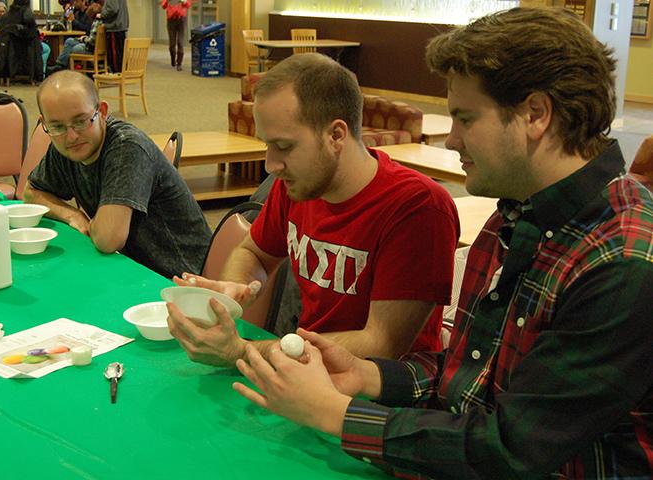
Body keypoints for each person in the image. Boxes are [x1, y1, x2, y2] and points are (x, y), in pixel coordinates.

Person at [231, 7, 653, 479]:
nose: (451, 140)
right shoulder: (513, 217)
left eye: (465, 118)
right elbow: (471, 381)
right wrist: (369, 376)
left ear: (535, 114)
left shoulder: (623, 262)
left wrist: (336, 413)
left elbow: (512, 449)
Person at [166, 53, 459, 367]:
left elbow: (382, 344)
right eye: (267, 144)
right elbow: (254, 252)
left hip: (379, 396)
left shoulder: (419, 208)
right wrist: (236, 285)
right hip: (305, 367)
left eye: (285, 146)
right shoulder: (299, 183)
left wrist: (245, 351)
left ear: (335, 135)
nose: (270, 165)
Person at [25, 70, 211, 279]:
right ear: (44, 124)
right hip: (128, 266)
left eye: (81, 121)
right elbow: (31, 192)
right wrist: (72, 215)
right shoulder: (63, 143)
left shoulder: (127, 147)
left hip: (177, 278)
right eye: (57, 126)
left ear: (102, 112)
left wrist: (98, 226)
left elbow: (108, 238)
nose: (71, 136)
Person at [47, 2, 102, 73]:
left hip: (89, 45)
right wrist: (66, 11)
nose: (74, 3)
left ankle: (66, 68)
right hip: (83, 38)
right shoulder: (76, 12)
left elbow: (88, 32)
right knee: (69, 41)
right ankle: (59, 65)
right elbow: (66, 19)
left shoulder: (92, 18)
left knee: (73, 48)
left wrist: (84, 38)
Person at [160, 0, 189, 71]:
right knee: (172, 44)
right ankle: (173, 59)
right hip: (171, 21)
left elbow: (188, 5)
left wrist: (184, 2)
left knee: (180, 42)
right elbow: (163, 6)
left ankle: (179, 64)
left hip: (181, 20)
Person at [100, 0, 127, 73]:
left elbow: (113, 9)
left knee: (115, 57)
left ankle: (116, 75)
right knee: (120, 55)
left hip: (114, 28)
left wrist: (102, 14)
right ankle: (120, 75)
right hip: (120, 27)